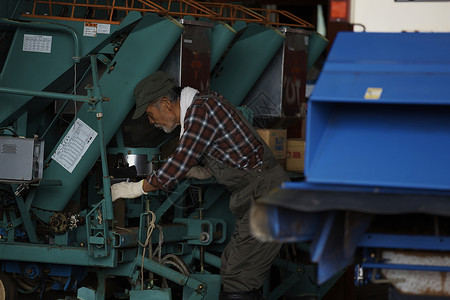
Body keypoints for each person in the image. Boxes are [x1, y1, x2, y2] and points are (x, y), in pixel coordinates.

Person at [111, 71, 290, 300]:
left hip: (265, 196)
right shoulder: (203, 108)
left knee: (238, 275)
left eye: (149, 114)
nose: (151, 122)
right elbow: (230, 154)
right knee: (232, 265)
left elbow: (179, 160)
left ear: (165, 103)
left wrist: (135, 188)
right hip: (259, 195)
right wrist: (203, 171)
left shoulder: (201, 110)